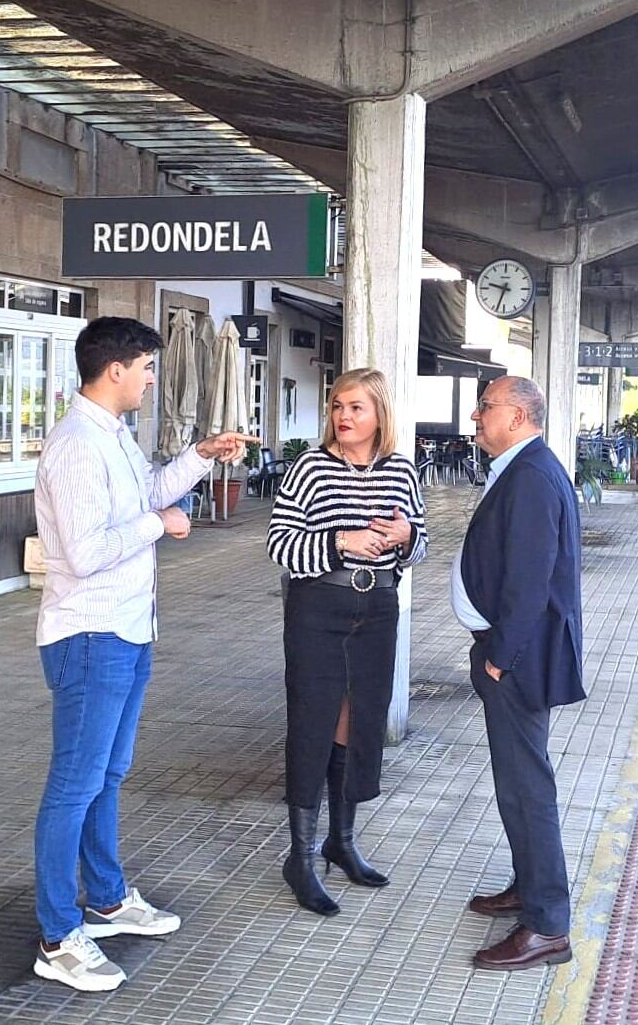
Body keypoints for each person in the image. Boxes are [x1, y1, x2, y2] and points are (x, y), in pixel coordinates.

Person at [31, 316, 259, 992]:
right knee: (74, 784)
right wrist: (158, 524)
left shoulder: (113, 434)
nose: (152, 379)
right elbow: (85, 551)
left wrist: (201, 455)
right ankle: (57, 935)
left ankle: (104, 898)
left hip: (126, 630)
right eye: (146, 368)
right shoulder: (76, 446)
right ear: (115, 370)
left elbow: (151, 491)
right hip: (89, 635)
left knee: (106, 773)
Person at [266, 368, 428, 915]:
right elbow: (280, 544)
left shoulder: (401, 469)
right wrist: (341, 541)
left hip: (378, 608)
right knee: (311, 723)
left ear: (379, 413)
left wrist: (407, 536)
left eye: (356, 407)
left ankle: (342, 841)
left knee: (358, 724)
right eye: (338, 405)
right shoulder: (310, 468)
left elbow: (420, 542)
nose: (343, 416)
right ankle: (300, 857)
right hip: (318, 606)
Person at [454, 376, 586, 971]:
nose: (476, 416)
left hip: (518, 661)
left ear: (517, 416)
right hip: (515, 655)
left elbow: (530, 581)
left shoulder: (531, 475)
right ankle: (528, 885)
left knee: (527, 788)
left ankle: (547, 925)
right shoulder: (524, 467)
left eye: (485, 407)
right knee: (517, 783)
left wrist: (499, 658)